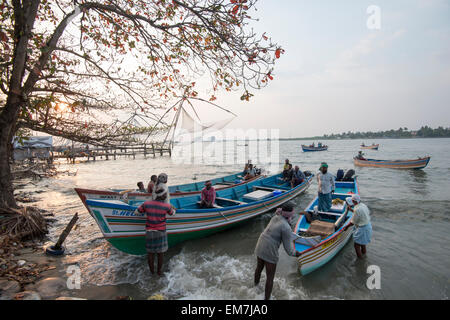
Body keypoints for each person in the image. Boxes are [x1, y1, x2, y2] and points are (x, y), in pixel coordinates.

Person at [254, 202, 301, 300]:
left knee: (259, 268)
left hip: (260, 243)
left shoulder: (275, 217)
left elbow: (280, 220)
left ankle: (255, 286)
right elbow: (289, 250)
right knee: (270, 278)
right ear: (289, 215)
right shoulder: (286, 228)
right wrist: (298, 254)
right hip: (270, 249)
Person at [135, 191, 175, 275]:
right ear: (162, 196)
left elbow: (137, 212)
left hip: (149, 232)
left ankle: (152, 272)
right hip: (161, 232)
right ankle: (159, 272)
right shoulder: (166, 206)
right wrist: (173, 208)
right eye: (165, 194)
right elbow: (172, 214)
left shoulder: (146, 204)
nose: (166, 196)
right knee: (160, 254)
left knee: (150, 254)